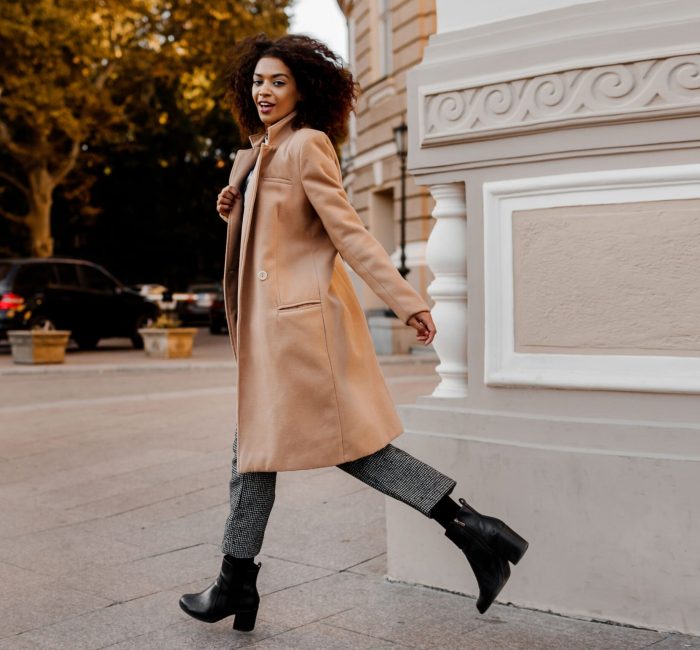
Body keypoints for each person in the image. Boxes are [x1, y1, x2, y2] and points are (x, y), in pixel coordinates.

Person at [179, 33, 528, 632]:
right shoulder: (259, 153)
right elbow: (274, 243)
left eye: (278, 82)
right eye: (258, 81)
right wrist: (235, 210)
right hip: (271, 331)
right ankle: (238, 582)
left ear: (304, 89)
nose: (264, 91)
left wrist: (406, 300)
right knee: (256, 454)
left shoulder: (307, 145)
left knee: (331, 453)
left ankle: (475, 531)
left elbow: (349, 233)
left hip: (299, 333)